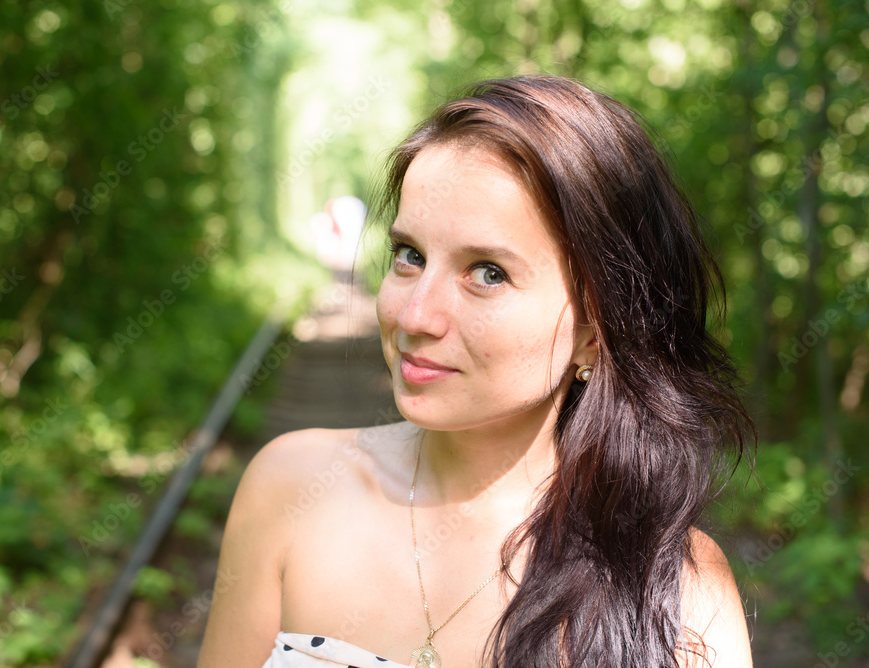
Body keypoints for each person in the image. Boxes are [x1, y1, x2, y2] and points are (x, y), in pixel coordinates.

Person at [197, 75, 755, 668]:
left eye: (488, 272)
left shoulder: (677, 597)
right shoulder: (291, 488)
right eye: (410, 256)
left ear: (595, 332)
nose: (415, 315)